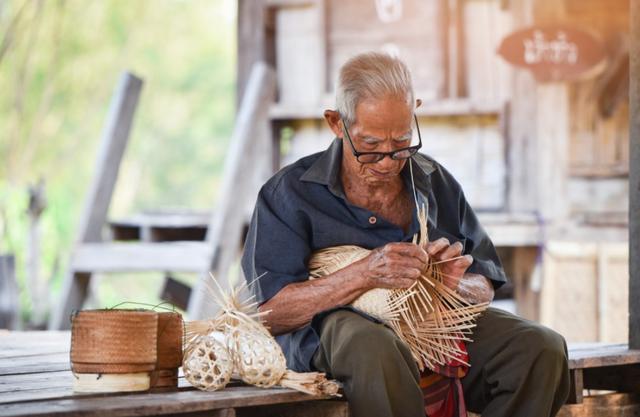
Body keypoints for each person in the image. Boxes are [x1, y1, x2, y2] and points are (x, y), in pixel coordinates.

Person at [241, 52, 570, 417]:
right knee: (374, 347)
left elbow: (485, 281)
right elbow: (271, 312)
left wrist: (451, 286)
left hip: (433, 324)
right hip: (336, 327)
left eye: (401, 143)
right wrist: (365, 273)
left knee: (540, 348)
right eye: (369, 146)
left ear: (414, 112)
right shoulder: (290, 193)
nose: (387, 161)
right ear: (337, 123)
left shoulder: (433, 180)